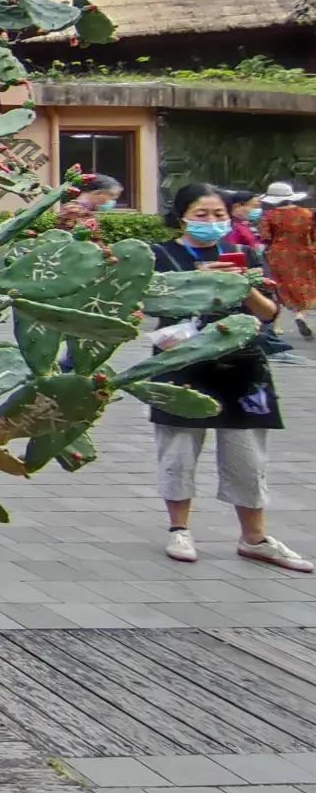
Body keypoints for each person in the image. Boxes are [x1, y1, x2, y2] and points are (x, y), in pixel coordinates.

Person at [150, 183, 306, 571]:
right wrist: (199, 280)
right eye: (201, 214)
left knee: (247, 456)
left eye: (219, 214)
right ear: (182, 217)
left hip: (243, 364)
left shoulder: (246, 254)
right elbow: (150, 303)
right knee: (179, 449)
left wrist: (241, 285)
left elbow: (269, 313)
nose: (211, 221)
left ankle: (254, 537)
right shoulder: (161, 255)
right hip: (182, 362)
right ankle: (179, 529)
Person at [260, 181, 316, 339]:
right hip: (304, 254)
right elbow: (313, 235)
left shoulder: (269, 216)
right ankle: (301, 315)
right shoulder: (307, 213)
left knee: (281, 288)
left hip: (278, 256)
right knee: (306, 285)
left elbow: (265, 237)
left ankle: (283, 321)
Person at [55, 174, 123, 234]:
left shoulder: (86, 210)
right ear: (98, 193)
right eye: (111, 195)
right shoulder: (73, 211)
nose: (111, 200)